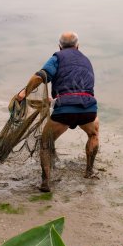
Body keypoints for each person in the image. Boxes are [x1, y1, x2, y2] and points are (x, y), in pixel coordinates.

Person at [16, 31, 99, 192]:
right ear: (78, 46)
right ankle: (89, 171)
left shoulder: (57, 58)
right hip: (87, 110)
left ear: (59, 46)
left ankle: (45, 182)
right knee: (93, 134)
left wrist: (23, 94)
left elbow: (40, 76)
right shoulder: (86, 60)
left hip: (65, 111)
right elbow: (79, 90)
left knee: (46, 143)